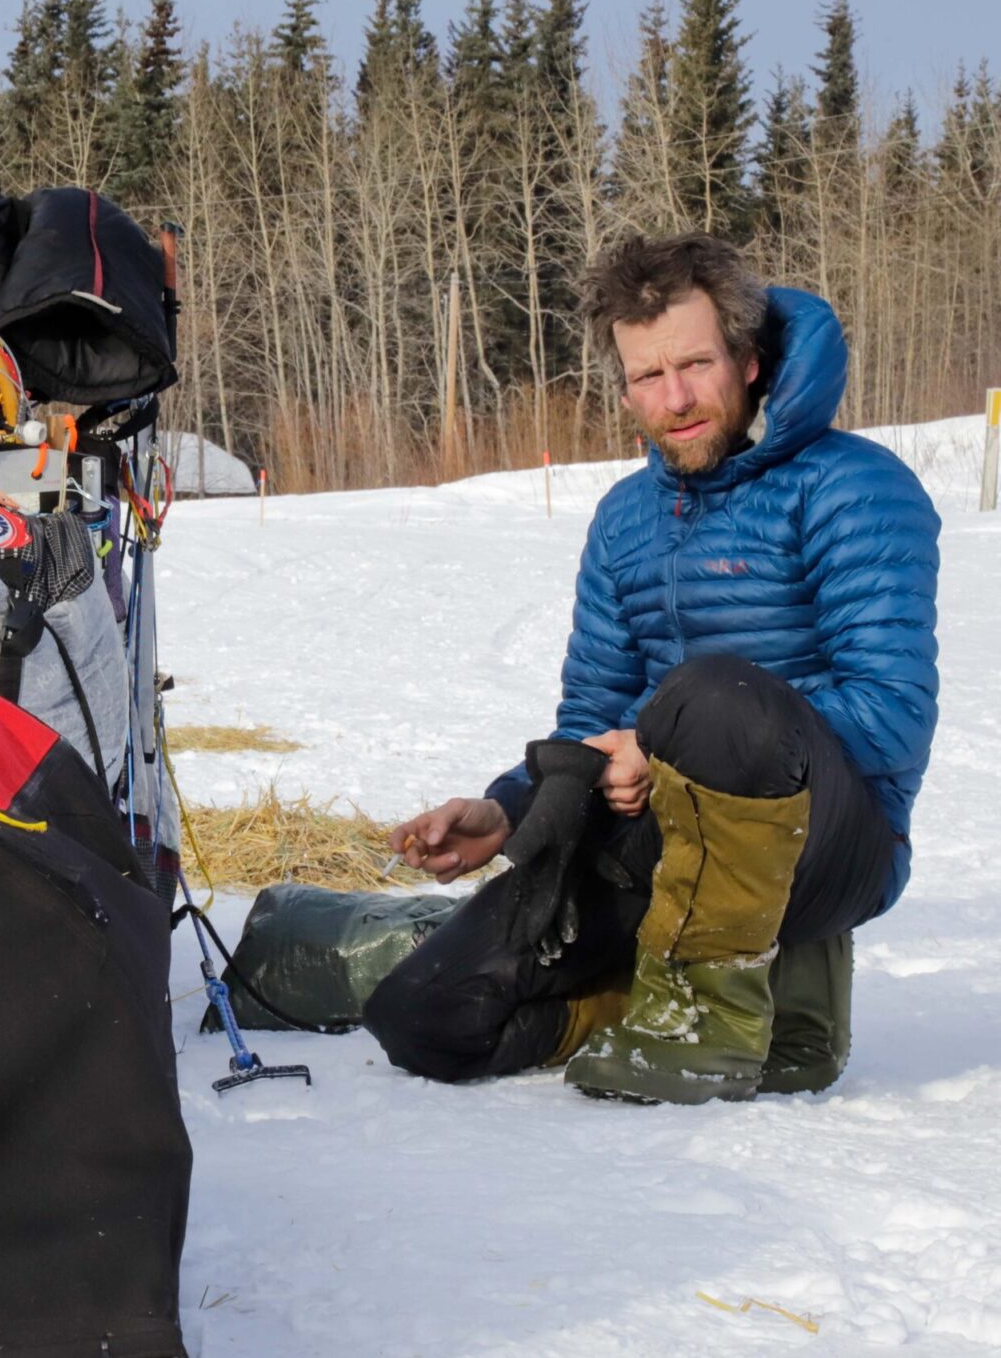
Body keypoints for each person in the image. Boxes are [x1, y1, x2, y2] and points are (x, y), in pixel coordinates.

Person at [360, 232, 940, 1105]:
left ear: (748, 360)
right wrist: (509, 805)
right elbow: (592, 713)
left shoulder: (854, 485)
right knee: (427, 1017)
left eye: (696, 365)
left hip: (827, 842)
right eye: (646, 377)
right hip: (666, 843)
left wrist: (662, 741)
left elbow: (891, 709)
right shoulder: (626, 518)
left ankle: (718, 1020)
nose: (673, 400)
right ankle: (672, 1004)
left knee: (710, 696)